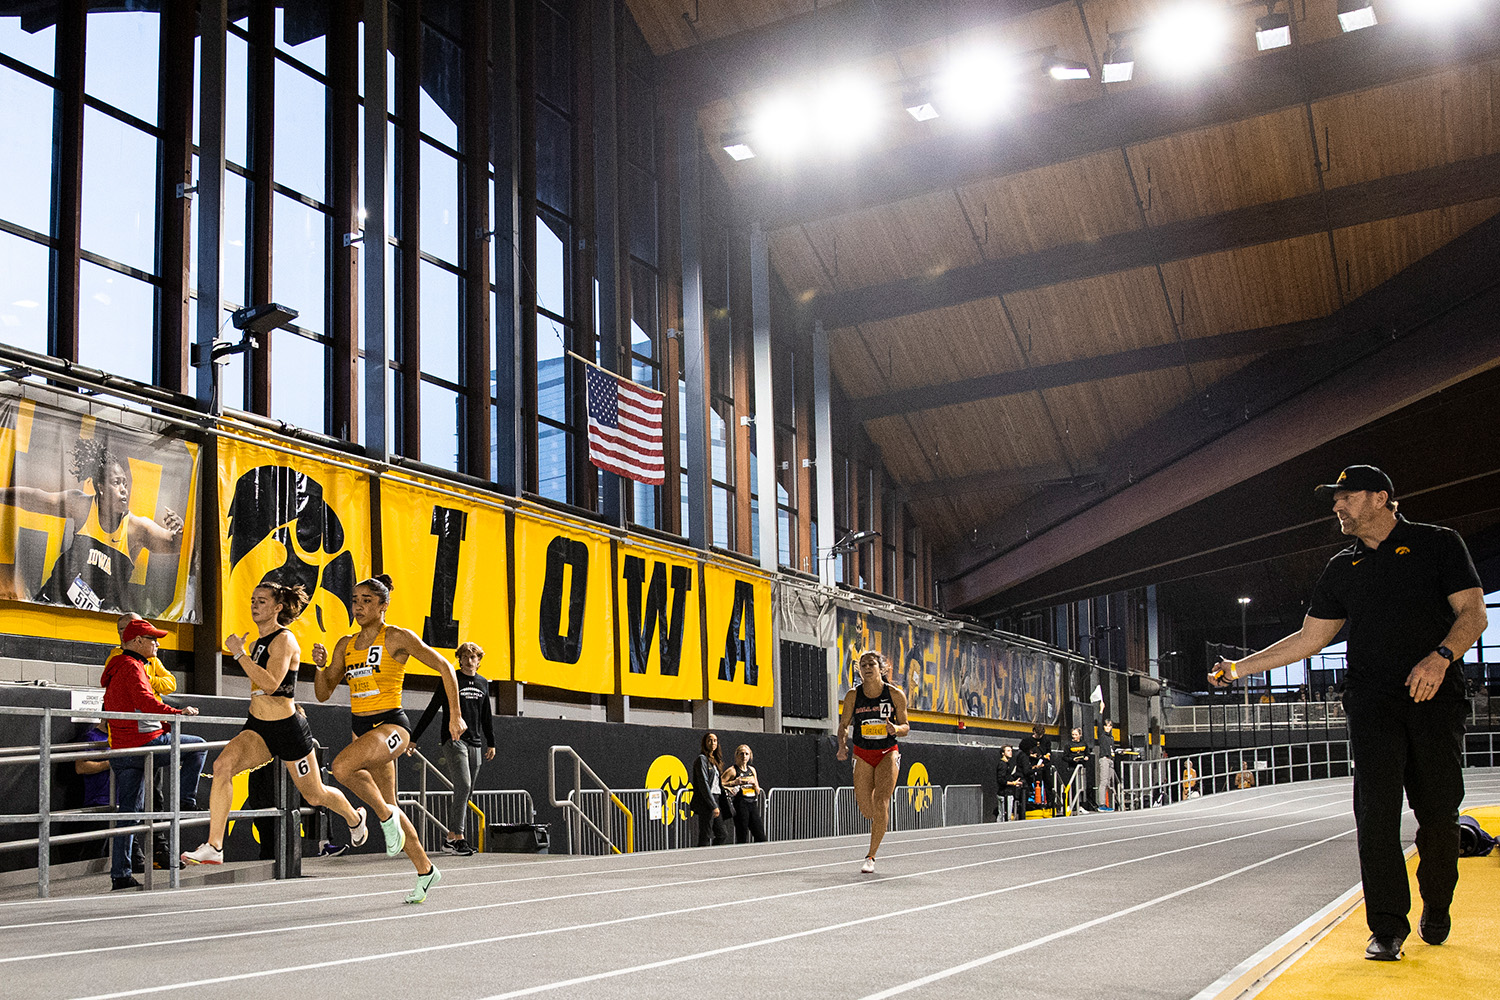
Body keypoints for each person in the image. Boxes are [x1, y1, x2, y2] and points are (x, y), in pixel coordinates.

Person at [1208, 465, 1487, 961]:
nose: (1337, 506)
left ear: (1381, 498)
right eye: (1335, 499)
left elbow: (1474, 613)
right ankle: (1387, 927)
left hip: (1433, 698)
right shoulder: (1342, 567)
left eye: (1347, 497)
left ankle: (1438, 900)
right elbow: (1310, 639)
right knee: (1374, 816)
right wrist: (1239, 668)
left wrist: (1440, 658)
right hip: (1371, 703)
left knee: (1439, 815)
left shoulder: (1438, 543)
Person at [181, 583, 369, 866]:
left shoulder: (285, 640)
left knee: (314, 793)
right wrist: (246, 654)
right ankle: (215, 846)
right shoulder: (258, 644)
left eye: (262, 601)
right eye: (253, 600)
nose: (255, 605)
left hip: (287, 728)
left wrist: (239, 654)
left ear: (277, 607)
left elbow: (271, 684)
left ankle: (355, 818)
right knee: (222, 766)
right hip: (258, 726)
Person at [312, 574, 466, 904]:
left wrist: (455, 714)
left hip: (393, 726)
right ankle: (426, 871)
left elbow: (445, 667)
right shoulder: (345, 645)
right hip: (362, 728)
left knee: (341, 768)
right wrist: (321, 667)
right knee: (391, 804)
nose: (359, 606)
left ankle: (380, 818)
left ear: (383, 605)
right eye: (355, 600)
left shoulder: (396, 637)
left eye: (367, 600)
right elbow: (324, 693)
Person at [0, 437, 183, 612]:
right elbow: (35, 498)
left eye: (125, 484)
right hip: (52, 603)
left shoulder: (136, 528)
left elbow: (174, 544)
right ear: (101, 488)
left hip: (93, 619)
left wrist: (179, 530)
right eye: (116, 483)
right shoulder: (82, 506)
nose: (123, 490)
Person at [101, 619, 206, 890]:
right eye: (152, 639)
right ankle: (184, 801)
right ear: (137, 642)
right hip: (143, 745)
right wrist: (178, 713)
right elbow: (145, 701)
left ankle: (121, 875)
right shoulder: (131, 666)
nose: (157, 644)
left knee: (129, 814)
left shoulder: (119, 667)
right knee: (198, 746)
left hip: (122, 750)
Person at [409, 641, 496, 856]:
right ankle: (459, 836)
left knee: (467, 791)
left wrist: (491, 742)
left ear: (479, 660)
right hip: (454, 738)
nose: (469, 660)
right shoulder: (452, 679)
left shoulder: (483, 683)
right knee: (464, 785)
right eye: (465, 656)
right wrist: (414, 738)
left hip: (475, 741)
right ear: (459, 659)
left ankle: (450, 838)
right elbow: (432, 708)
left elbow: (486, 715)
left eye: (473, 657)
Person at [837, 649, 910, 874]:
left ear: (881, 668)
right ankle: (877, 821)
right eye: (863, 665)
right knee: (866, 807)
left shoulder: (895, 695)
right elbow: (843, 725)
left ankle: (871, 855)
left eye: (871, 664)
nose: (867, 668)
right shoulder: (853, 695)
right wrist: (842, 745)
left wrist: (895, 728)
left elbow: (906, 727)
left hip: (888, 751)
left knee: (881, 801)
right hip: (862, 753)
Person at [691, 732, 732, 847]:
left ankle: (712, 856)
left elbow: (717, 783)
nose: (712, 743)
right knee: (705, 834)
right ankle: (700, 860)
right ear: (704, 743)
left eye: (715, 740)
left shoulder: (715, 760)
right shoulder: (702, 759)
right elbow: (704, 783)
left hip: (717, 798)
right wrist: (713, 805)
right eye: (709, 740)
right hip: (707, 801)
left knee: (722, 834)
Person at [722, 744, 767, 844]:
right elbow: (720, 784)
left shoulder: (752, 770)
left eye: (746, 754)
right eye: (741, 754)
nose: (744, 756)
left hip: (752, 803)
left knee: (760, 835)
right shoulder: (732, 770)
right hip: (740, 804)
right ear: (736, 755)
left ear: (750, 756)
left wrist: (754, 784)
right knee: (742, 834)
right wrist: (734, 783)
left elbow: (758, 790)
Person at [1063, 727, 1094, 811]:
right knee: (1073, 786)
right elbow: (1064, 757)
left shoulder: (1084, 743)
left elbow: (1088, 753)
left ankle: (1081, 805)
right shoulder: (1068, 744)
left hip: (1082, 768)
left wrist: (1086, 757)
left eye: (1076, 735)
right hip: (1072, 768)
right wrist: (1072, 759)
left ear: (1080, 735)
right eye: (1073, 735)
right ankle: (1070, 804)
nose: (1074, 736)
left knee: (1082, 786)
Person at [995, 744, 1024, 821]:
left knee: (1003, 816)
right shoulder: (1002, 764)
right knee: (1005, 817)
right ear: (1002, 753)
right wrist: (1014, 783)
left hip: (1006, 793)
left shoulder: (1006, 764)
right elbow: (1001, 780)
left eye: (1011, 750)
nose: (1010, 752)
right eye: (1008, 751)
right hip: (1005, 794)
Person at [1096, 717, 1116, 810]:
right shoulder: (1102, 735)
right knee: (1103, 781)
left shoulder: (1111, 737)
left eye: (1109, 726)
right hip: (1104, 759)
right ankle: (1102, 804)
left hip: (1111, 759)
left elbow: (1112, 749)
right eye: (1106, 726)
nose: (1108, 728)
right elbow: (1099, 723)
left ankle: (1110, 803)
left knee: (1109, 782)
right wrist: (1101, 710)